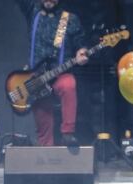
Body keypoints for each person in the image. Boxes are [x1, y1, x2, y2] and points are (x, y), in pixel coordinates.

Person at [14, 0, 89, 146]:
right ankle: (45, 148)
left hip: (61, 72)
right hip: (37, 76)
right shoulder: (32, 11)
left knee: (68, 85)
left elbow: (80, 43)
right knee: (43, 121)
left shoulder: (69, 19)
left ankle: (68, 133)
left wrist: (82, 52)